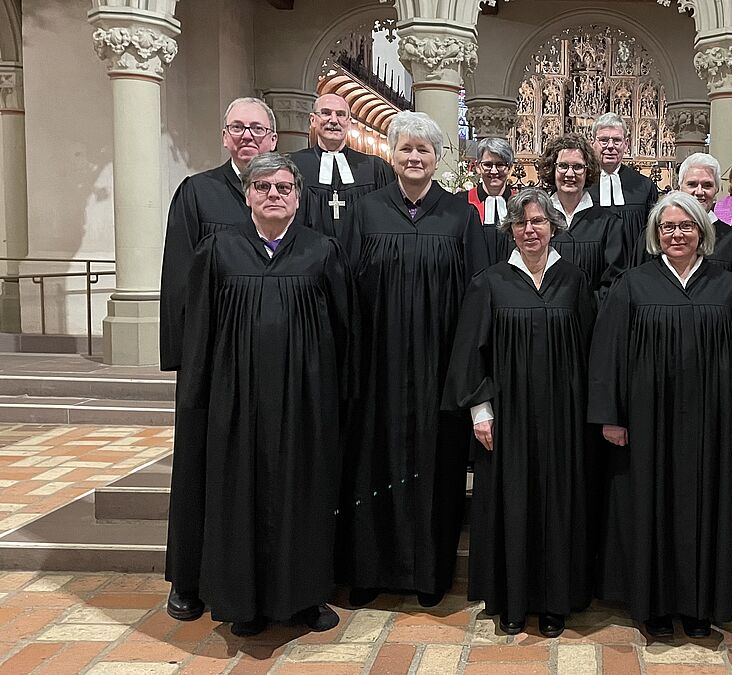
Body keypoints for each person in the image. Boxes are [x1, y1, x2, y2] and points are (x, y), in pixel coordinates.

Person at [175, 152, 355, 636]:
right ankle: (244, 602)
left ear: (299, 197)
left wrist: (340, 395)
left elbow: (344, 328)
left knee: (306, 496)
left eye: (283, 187)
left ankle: (306, 597)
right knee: (241, 497)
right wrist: (198, 395)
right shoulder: (218, 251)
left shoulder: (322, 251)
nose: (273, 195)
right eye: (263, 187)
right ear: (248, 196)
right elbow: (199, 329)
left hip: (305, 402)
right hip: (237, 403)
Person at [589, 191, 732, 639]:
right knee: (649, 506)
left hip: (711, 423)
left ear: (703, 233)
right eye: (668, 227)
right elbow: (607, 353)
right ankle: (654, 607)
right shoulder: (633, 284)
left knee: (705, 510)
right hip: (647, 423)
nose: (677, 234)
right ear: (655, 235)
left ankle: (698, 605)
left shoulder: (727, 286)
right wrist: (611, 416)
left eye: (686, 226)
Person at [336, 111, 490, 610]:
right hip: (378, 366)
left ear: (438, 158)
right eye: (406, 149)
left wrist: (468, 373)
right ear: (392, 154)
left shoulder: (460, 217)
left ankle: (429, 572)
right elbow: (345, 290)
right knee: (371, 463)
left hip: (439, 369)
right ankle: (369, 570)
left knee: (436, 469)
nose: (415, 157)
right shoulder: (365, 211)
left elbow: (477, 296)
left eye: (424, 150)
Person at [443, 188, 596, 639]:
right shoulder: (489, 281)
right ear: (510, 229)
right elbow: (471, 353)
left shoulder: (574, 279)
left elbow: (591, 349)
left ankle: (554, 602)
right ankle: (511, 601)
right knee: (511, 503)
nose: (531, 230)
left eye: (539, 222)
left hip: (562, 417)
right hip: (505, 418)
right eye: (521, 223)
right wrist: (480, 412)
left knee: (557, 503)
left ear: (554, 227)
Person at [161, 96, 277, 622]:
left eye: (257, 128)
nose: (247, 136)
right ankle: (189, 580)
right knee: (200, 471)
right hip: (214, 366)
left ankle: (268, 581)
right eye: (238, 128)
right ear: (224, 136)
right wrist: (189, 363)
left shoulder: (288, 190)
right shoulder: (199, 194)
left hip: (276, 369)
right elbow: (180, 280)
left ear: (273, 139)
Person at [289, 93, 395, 239]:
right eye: (325, 113)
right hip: (309, 257)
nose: (333, 121)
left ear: (349, 122)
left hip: (362, 259)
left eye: (340, 114)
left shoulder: (375, 168)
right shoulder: (293, 166)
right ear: (313, 120)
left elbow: (388, 221)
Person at [541, 134, 623, 298]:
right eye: (563, 166)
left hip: (591, 317)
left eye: (578, 167)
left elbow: (614, 280)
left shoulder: (607, 222)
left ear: (588, 171)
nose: (570, 174)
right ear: (552, 168)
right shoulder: (539, 217)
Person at [677, 152, 732, 291]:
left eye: (707, 185)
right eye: (692, 184)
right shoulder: (661, 235)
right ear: (679, 187)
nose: (699, 192)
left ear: (717, 189)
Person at [586, 113, 659, 268]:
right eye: (604, 140)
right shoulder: (583, 185)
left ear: (626, 144)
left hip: (635, 268)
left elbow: (652, 233)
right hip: (592, 267)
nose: (610, 146)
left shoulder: (644, 186)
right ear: (593, 143)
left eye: (617, 140)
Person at [460, 137, 517, 264]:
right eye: (487, 165)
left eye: (501, 164)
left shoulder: (519, 203)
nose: (494, 171)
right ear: (478, 167)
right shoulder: (462, 203)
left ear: (510, 168)